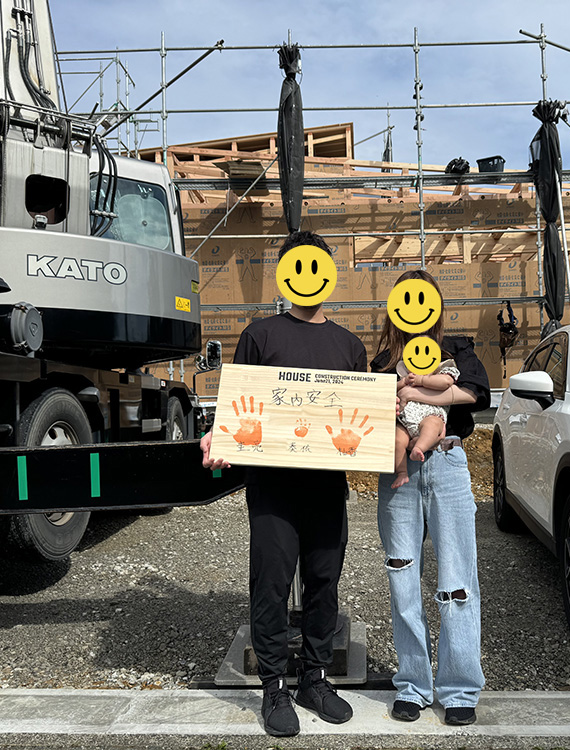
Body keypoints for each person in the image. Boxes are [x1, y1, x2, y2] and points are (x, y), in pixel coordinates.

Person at [201, 230, 365, 738]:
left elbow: (363, 420)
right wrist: (219, 435)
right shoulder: (260, 336)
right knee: (271, 585)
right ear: (285, 274)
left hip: (327, 488)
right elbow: (238, 406)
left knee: (324, 584)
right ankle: (274, 685)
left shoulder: (350, 346)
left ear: (329, 273)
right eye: (299, 265)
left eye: (317, 265)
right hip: (273, 489)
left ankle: (314, 678)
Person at [372, 268, 489, 726]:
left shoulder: (455, 348)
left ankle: (459, 687)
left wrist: (417, 390)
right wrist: (391, 400)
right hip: (398, 469)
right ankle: (413, 684)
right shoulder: (385, 360)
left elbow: (476, 394)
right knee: (402, 574)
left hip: (447, 461)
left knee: (458, 576)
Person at [391, 356, 460, 489]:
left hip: (430, 414)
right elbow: (391, 388)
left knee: (432, 426)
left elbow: (446, 382)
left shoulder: (440, 373)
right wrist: (403, 381)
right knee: (397, 440)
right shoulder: (407, 376)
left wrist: (422, 380)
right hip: (405, 419)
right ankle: (402, 472)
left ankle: (419, 448)